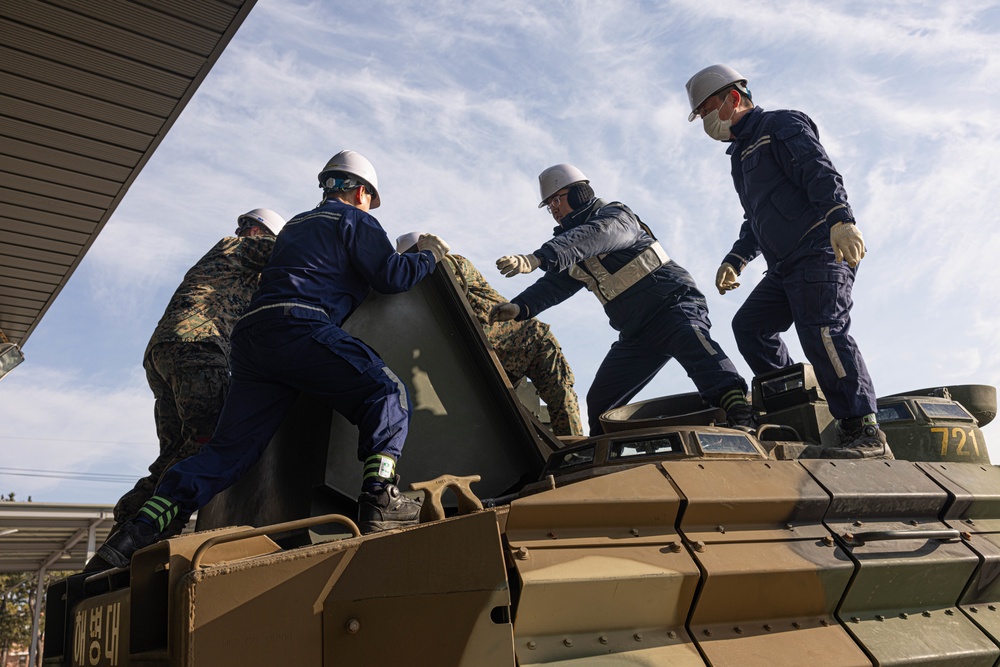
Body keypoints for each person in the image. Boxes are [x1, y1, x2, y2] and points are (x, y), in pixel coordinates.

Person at [90, 150, 451, 570]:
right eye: (371, 197)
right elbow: (391, 276)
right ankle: (380, 497)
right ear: (361, 191)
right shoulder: (354, 220)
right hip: (300, 326)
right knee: (386, 392)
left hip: (252, 340)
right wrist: (428, 255)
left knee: (226, 454)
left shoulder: (295, 225)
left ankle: (131, 539)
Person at [685, 64, 891, 460]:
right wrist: (737, 258)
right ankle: (797, 406)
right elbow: (756, 216)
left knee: (823, 329)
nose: (705, 122)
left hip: (820, 248)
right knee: (750, 326)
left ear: (732, 98)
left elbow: (819, 171)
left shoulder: (781, 125)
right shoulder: (740, 155)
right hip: (785, 264)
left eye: (707, 110)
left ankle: (864, 428)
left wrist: (841, 220)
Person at [490, 164, 753, 436]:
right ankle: (604, 457)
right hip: (636, 334)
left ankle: (742, 416)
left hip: (673, 307)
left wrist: (539, 258)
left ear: (580, 193)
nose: (553, 209)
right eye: (549, 205)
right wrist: (520, 306)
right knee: (601, 403)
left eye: (557, 199)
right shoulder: (571, 247)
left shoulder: (616, 217)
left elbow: (597, 235)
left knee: (700, 353)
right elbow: (555, 284)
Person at [109, 208, 286, 538]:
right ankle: (152, 528)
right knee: (211, 438)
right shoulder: (236, 247)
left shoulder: (231, 270)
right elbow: (297, 249)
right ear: (258, 233)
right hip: (197, 345)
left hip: (167, 352)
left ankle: (126, 528)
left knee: (178, 449)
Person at [397, 233, 584, 436]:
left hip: (532, 341)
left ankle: (576, 456)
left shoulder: (452, 265)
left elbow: (449, 272)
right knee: (500, 422)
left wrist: (430, 256)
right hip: (498, 363)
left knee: (562, 401)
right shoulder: (421, 299)